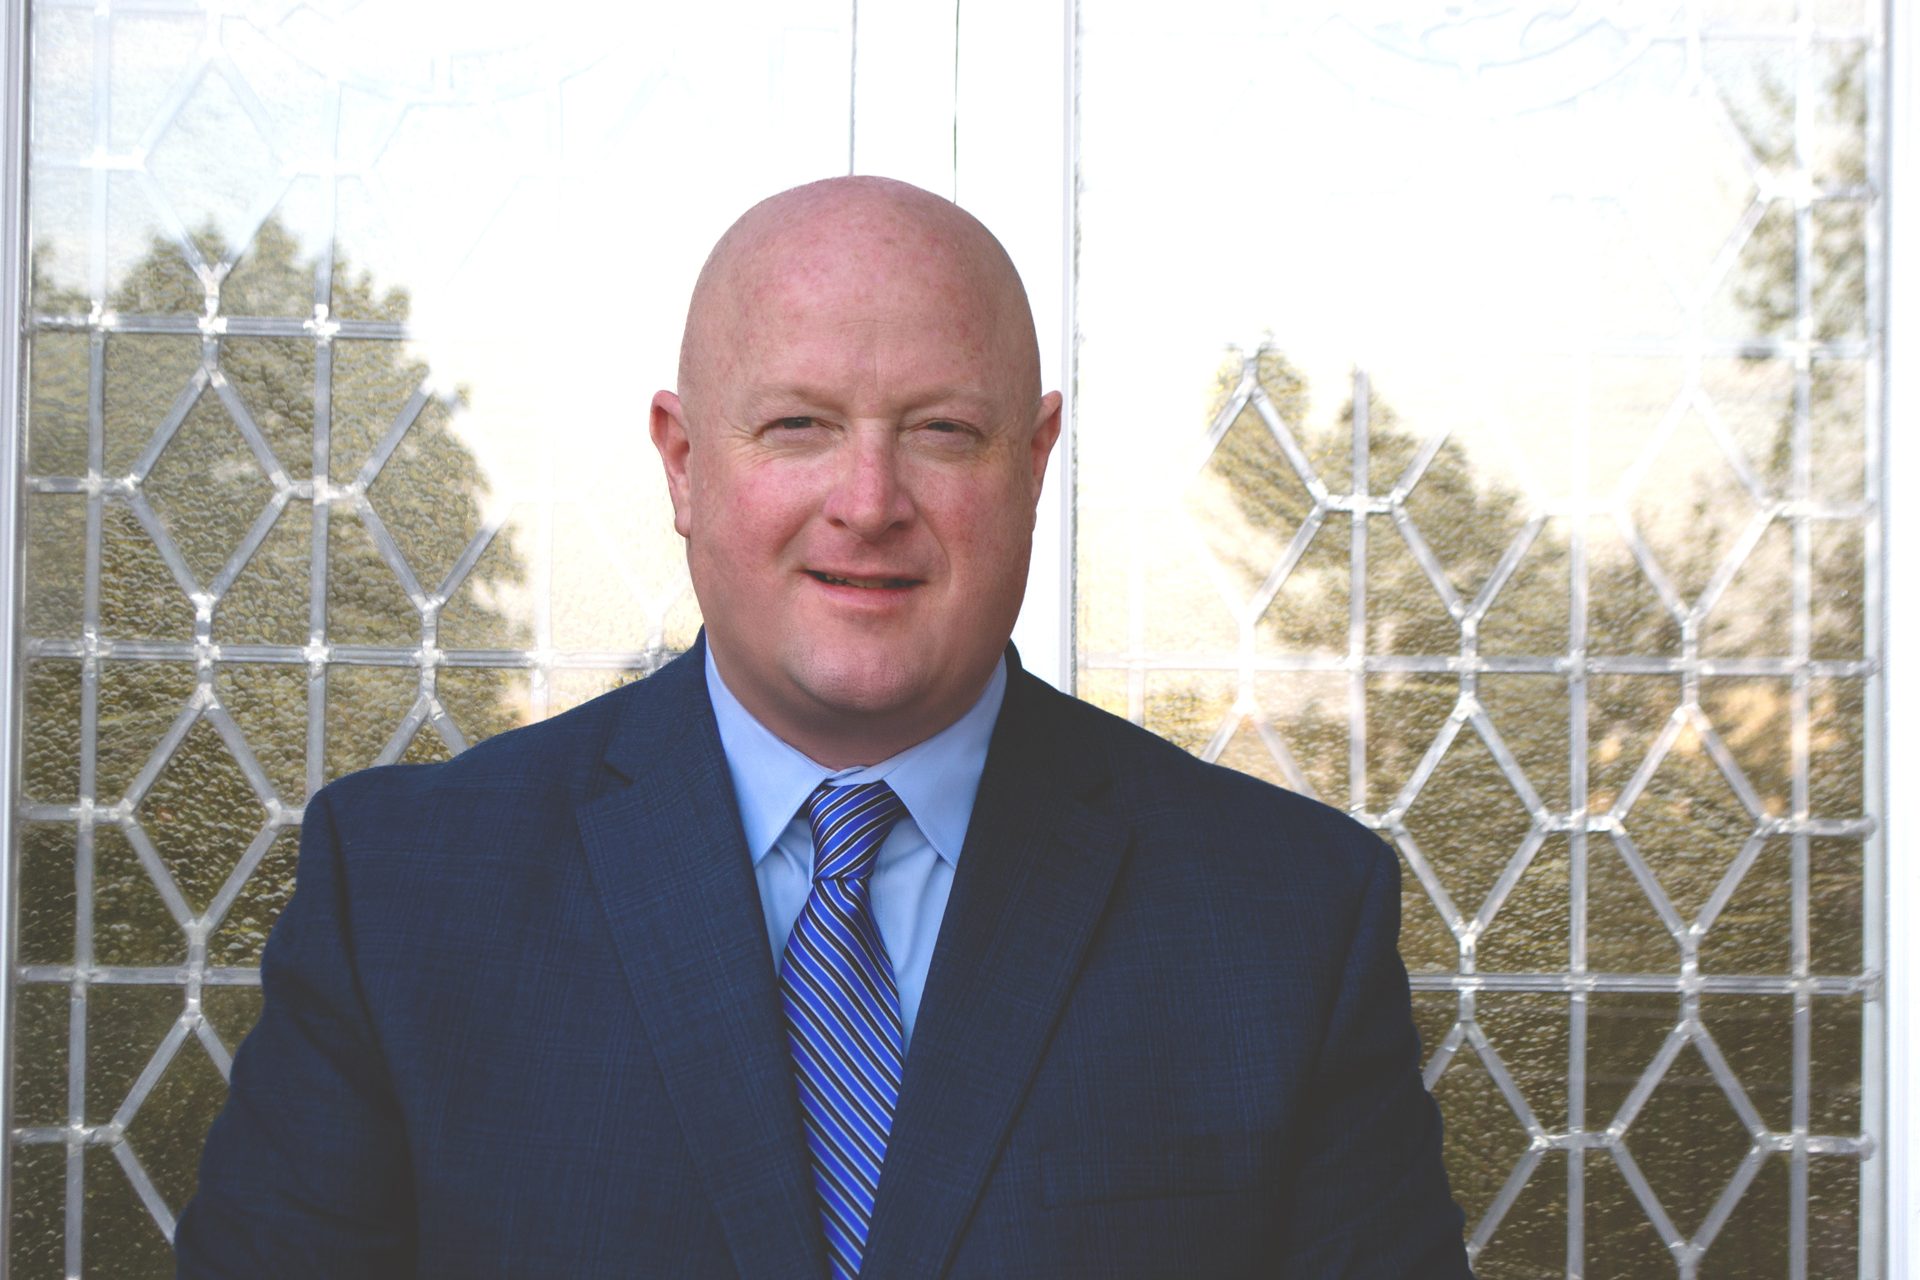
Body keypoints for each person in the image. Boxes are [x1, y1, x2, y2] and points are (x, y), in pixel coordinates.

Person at [176, 176, 1472, 1278]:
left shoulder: (1287, 920)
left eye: (942, 432)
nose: (868, 501)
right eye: (799, 425)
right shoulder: (403, 897)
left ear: (1033, 464)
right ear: (684, 464)